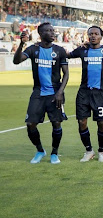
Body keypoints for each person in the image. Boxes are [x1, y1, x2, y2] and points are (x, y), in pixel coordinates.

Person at [13, 23, 69, 163]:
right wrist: (21, 44)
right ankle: (40, 151)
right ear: (41, 33)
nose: (52, 33)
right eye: (48, 31)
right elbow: (16, 61)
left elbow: (66, 74)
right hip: (38, 92)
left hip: (55, 93)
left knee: (56, 123)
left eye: (53, 30)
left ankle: (54, 154)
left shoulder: (59, 50)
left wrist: (60, 93)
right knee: (31, 124)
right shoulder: (33, 49)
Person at [67, 26, 103, 162]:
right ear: (87, 36)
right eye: (90, 34)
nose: (93, 36)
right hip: (84, 93)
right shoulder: (83, 51)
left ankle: (102, 151)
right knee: (82, 122)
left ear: (101, 36)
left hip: (101, 94)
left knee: (101, 123)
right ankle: (88, 151)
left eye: (96, 34)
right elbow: (67, 55)